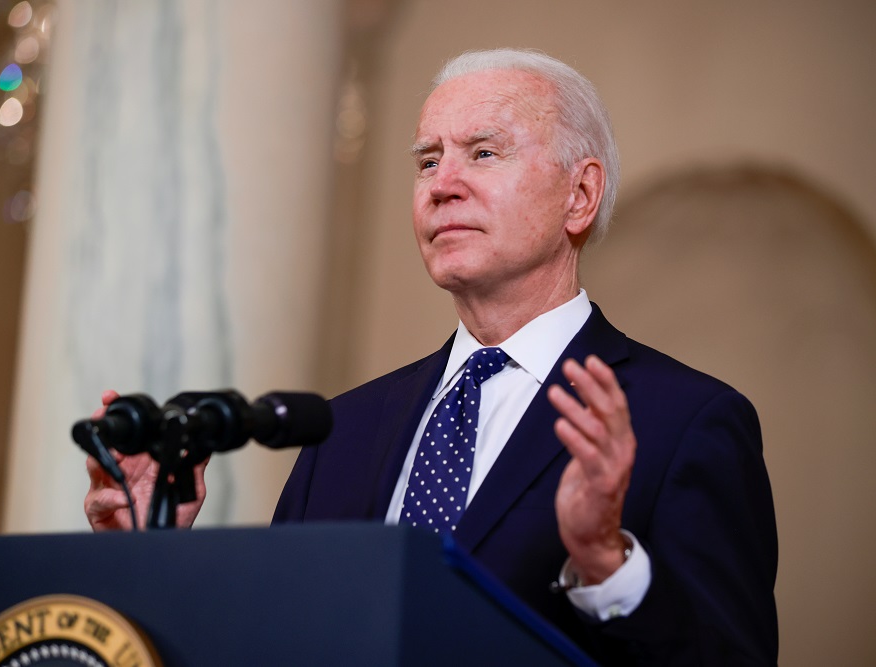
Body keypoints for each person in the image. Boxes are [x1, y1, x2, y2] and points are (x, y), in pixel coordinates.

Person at [85, 48, 778, 665]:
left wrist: (607, 564)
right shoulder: (340, 430)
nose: (442, 184)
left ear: (580, 195)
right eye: (427, 160)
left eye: (483, 153)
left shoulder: (684, 421)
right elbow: (273, 644)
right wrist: (155, 552)